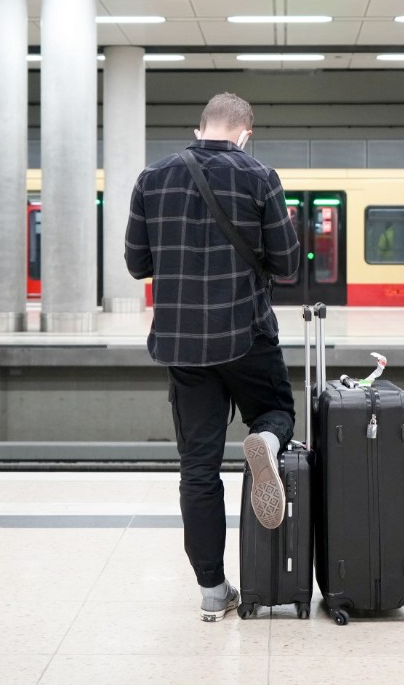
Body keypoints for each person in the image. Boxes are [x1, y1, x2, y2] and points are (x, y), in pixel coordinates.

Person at [125, 92, 301, 622]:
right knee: (278, 413)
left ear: (199, 128)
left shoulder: (151, 178)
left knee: (197, 469)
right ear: (245, 133)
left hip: (182, 343)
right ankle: (265, 442)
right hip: (246, 334)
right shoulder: (260, 176)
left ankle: (212, 589)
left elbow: (137, 264)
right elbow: (288, 264)